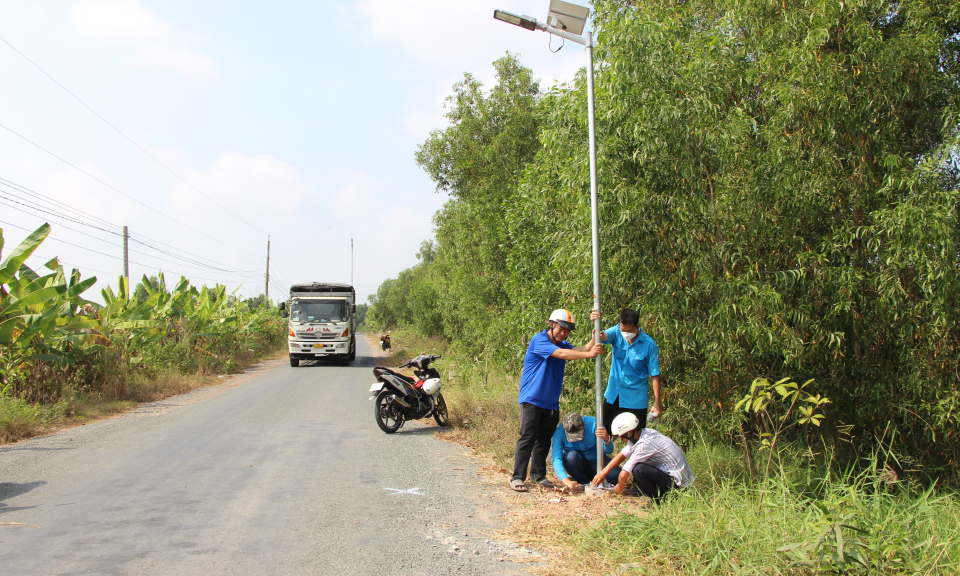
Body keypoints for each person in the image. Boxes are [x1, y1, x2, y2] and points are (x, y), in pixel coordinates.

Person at [510, 309, 603, 492]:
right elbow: (562, 354)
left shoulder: (563, 344)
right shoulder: (540, 340)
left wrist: (593, 340)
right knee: (528, 437)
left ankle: (538, 475)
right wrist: (590, 355)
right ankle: (517, 477)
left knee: (544, 440)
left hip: (551, 402)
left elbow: (580, 349)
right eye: (561, 328)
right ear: (552, 324)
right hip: (532, 399)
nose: (563, 333)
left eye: (567, 330)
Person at [592, 413, 694, 500]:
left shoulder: (644, 444)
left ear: (630, 432)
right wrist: (603, 473)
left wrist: (618, 489)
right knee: (639, 466)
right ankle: (640, 493)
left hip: (678, 487)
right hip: (676, 480)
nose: (622, 440)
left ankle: (659, 501)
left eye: (622, 437)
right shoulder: (644, 433)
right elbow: (623, 454)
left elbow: (624, 474)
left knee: (639, 469)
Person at [590, 308, 661, 434]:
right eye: (623, 330)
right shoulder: (617, 332)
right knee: (603, 433)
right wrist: (597, 322)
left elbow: (655, 374)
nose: (626, 333)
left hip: (635, 400)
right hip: (614, 395)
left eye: (629, 331)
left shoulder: (649, 345)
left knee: (635, 440)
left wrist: (657, 403)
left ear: (637, 326)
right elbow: (603, 336)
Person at [551, 412, 621, 491]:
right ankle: (583, 482)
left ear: (584, 425)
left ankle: (599, 480)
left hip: (598, 462)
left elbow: (609, 451)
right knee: (570, 457)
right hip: (578, 463)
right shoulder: (559, 433)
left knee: (616, 476)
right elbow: (557, 458)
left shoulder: (595, 424)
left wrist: (607, 440)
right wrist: (566, 481)